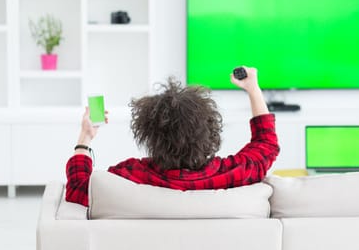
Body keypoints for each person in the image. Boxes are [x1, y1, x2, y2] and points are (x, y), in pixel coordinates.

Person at [65, 66, 279, 206]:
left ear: (148, 135)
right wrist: (253, 88)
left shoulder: (128, 176)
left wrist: (85, 137)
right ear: (210, 130)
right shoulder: (235, 174)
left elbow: (77, 188)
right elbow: (266, 143)